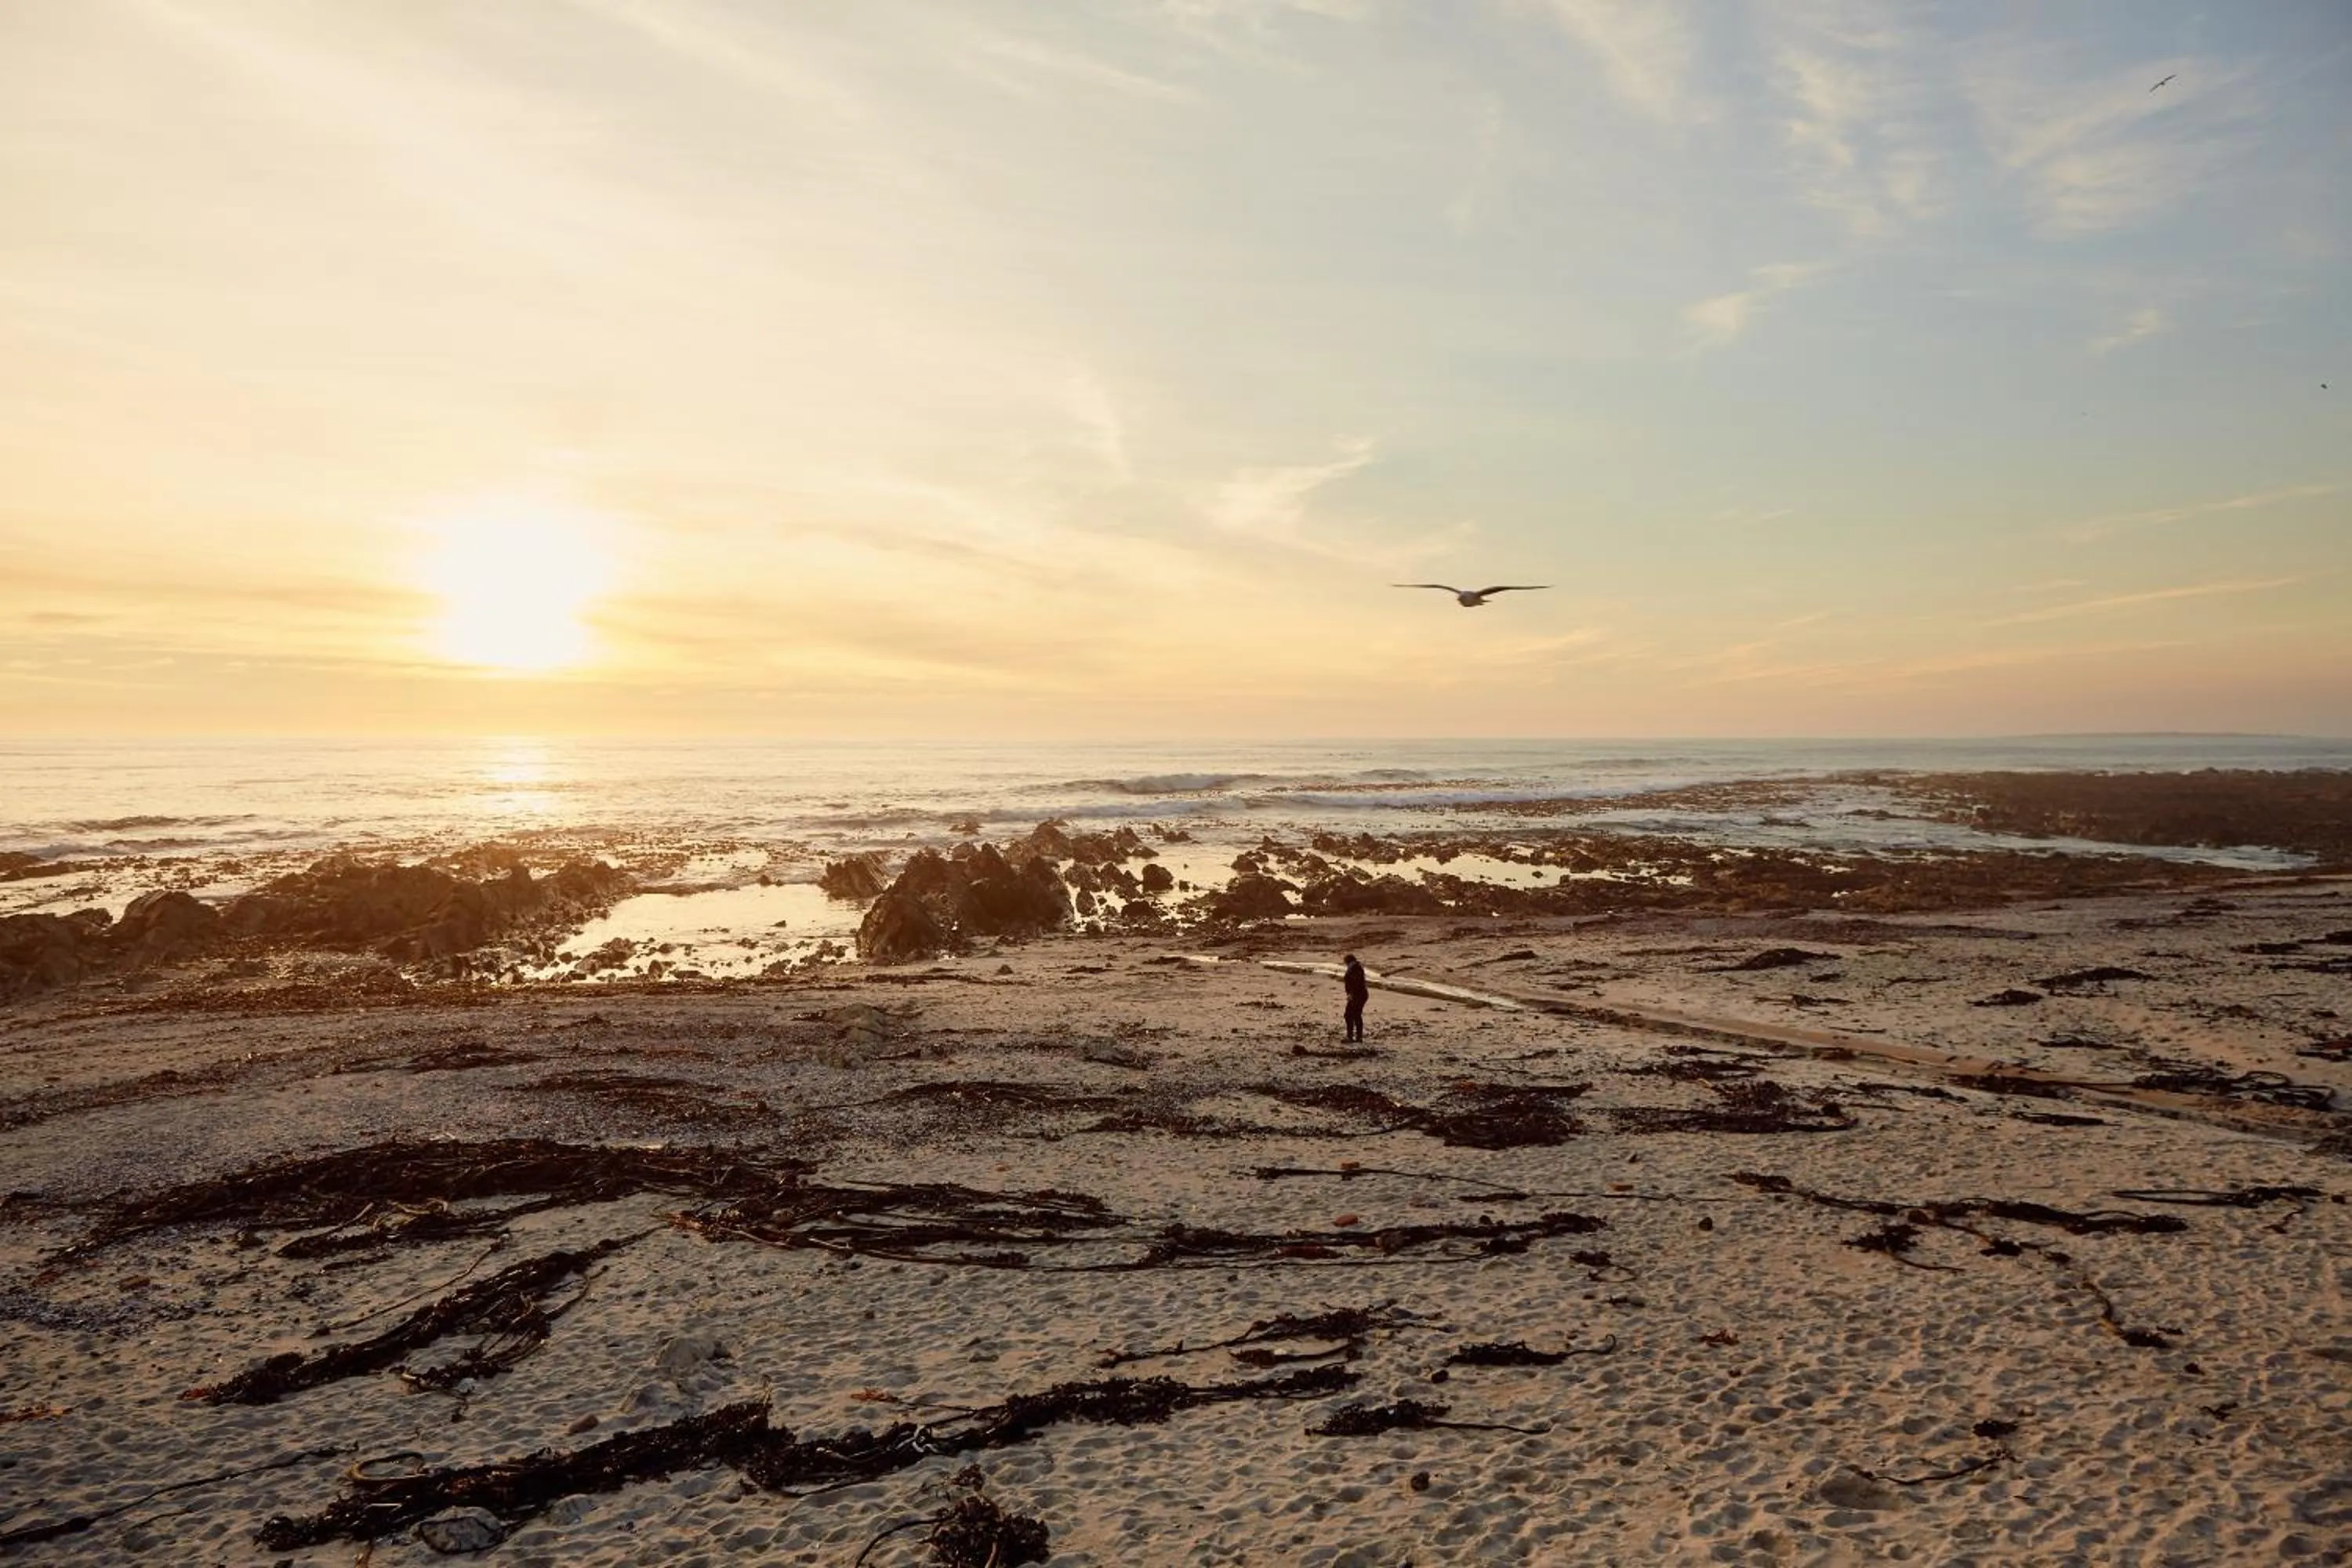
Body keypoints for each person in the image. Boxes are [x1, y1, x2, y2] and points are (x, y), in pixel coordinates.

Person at [1341, 953, 1369, 1043]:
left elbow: (1355, 983)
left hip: (1357, 995)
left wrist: (1351, 994)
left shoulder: (1354, 969)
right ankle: (1357, 1037)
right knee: (1355, 1015)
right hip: (1359, 994)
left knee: (1350, 1015)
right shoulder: (1356, 968)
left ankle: (1352, 1037)